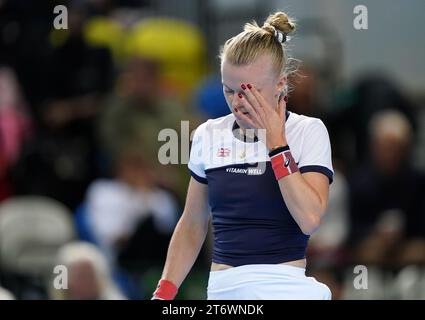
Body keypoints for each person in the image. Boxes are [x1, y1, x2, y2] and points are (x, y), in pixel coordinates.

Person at [152, 12, 334, 300]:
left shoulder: (307, 131)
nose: (238, 102)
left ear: (280, 84)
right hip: (224, 291)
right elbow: (192, 223)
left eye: (250, 92)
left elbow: (310, 218)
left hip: (285, 287)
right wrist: (164, 292)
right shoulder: (208, 134)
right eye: (229, 90)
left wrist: (276, 144)